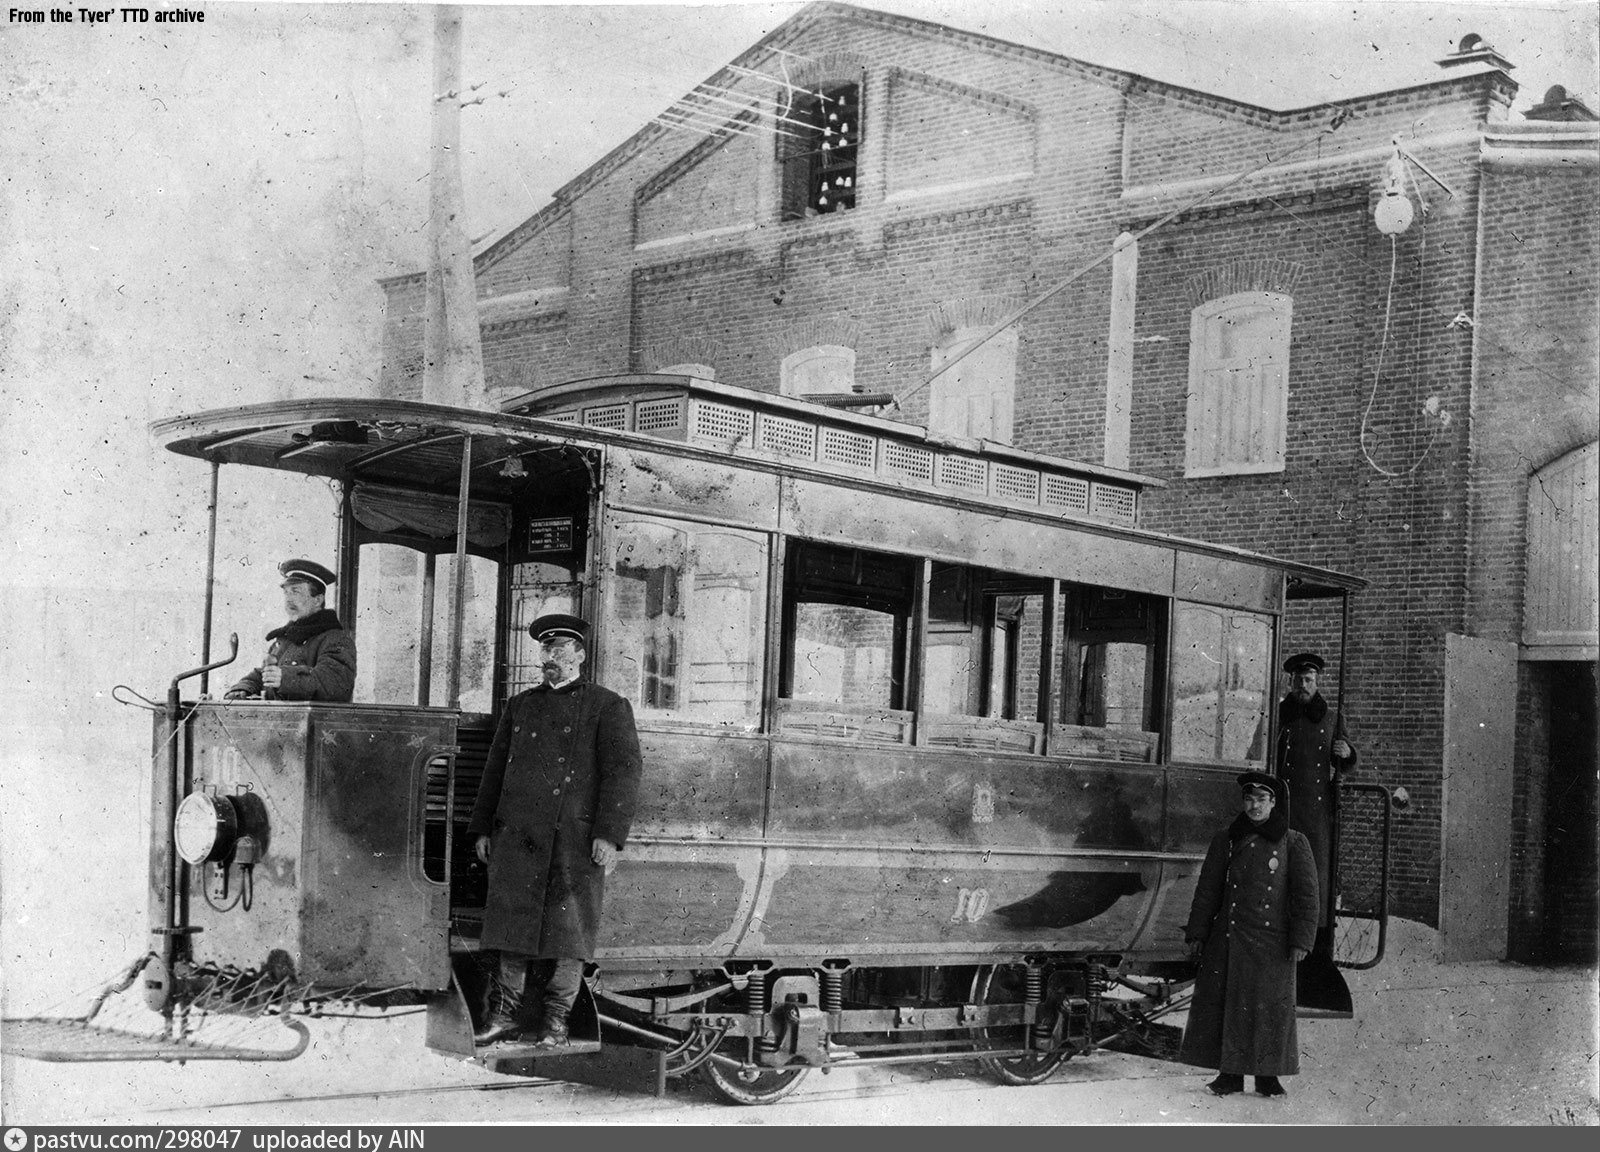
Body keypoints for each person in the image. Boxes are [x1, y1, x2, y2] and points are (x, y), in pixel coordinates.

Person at [468, 613, 643, 1048]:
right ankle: (503, 1015)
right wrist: (483, 827)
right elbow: (495, 772)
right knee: (511, 928)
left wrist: (608, 834)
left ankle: (556, 1022)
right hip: (517, 836)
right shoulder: (522, 705)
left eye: (561, 651)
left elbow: (623, 774)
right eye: (546, 650)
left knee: (570, 933)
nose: (552, 658)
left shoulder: (607, 705)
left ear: (580, 655)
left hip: (573, 839)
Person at [1179, 772, 1320, 1098]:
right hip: (1229, 938)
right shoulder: (1226, 838)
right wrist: (1198, 932)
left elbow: (1306, 897)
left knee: (1269, 1009)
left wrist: (1302, 940)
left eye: (1262, 799)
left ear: (1273, 803)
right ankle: (1228, 1075)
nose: (1254, 805)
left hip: (1272, 943)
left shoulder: (1293, 842)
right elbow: (1207, 890)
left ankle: (1268, 1077)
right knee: (1228, 1006)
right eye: (1249, 798)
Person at [1273, 652, 1357, 952]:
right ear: (1290, 682)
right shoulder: (1278, 716)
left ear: (1317, 682)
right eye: (1298, 680)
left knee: (1316, 875)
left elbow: (1347, 758)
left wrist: (1346, 753)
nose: (1303, 686)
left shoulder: (1332, 719)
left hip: (1316, 812)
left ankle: (1316, 942)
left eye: (1308, 680)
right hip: (1282, 808)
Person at [224, 559, 356, 703]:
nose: (288, 599)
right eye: (286, 593)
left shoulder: (335, 639)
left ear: (317, 600)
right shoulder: (285, 639)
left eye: (295, 591)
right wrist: (243, 688)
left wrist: (286, 678)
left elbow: (334, 684)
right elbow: (264, 674)